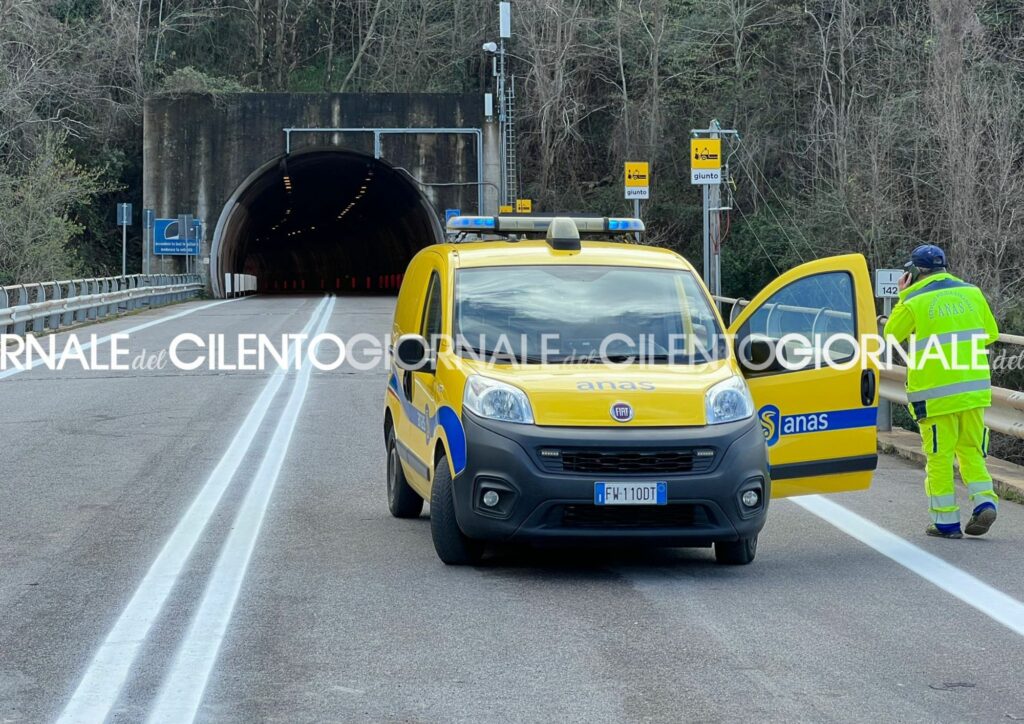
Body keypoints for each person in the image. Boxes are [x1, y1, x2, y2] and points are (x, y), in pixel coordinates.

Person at [883, 244, 1000, 539]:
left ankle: (946, 523)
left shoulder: (914, 300)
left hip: (935, 396)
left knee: (939, 457)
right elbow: (991, 334)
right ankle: (985, 501)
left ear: (916, 271)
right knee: (972, 451)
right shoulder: (972, 292)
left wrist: (904, 295)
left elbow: (891, 335)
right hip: (973, 391)